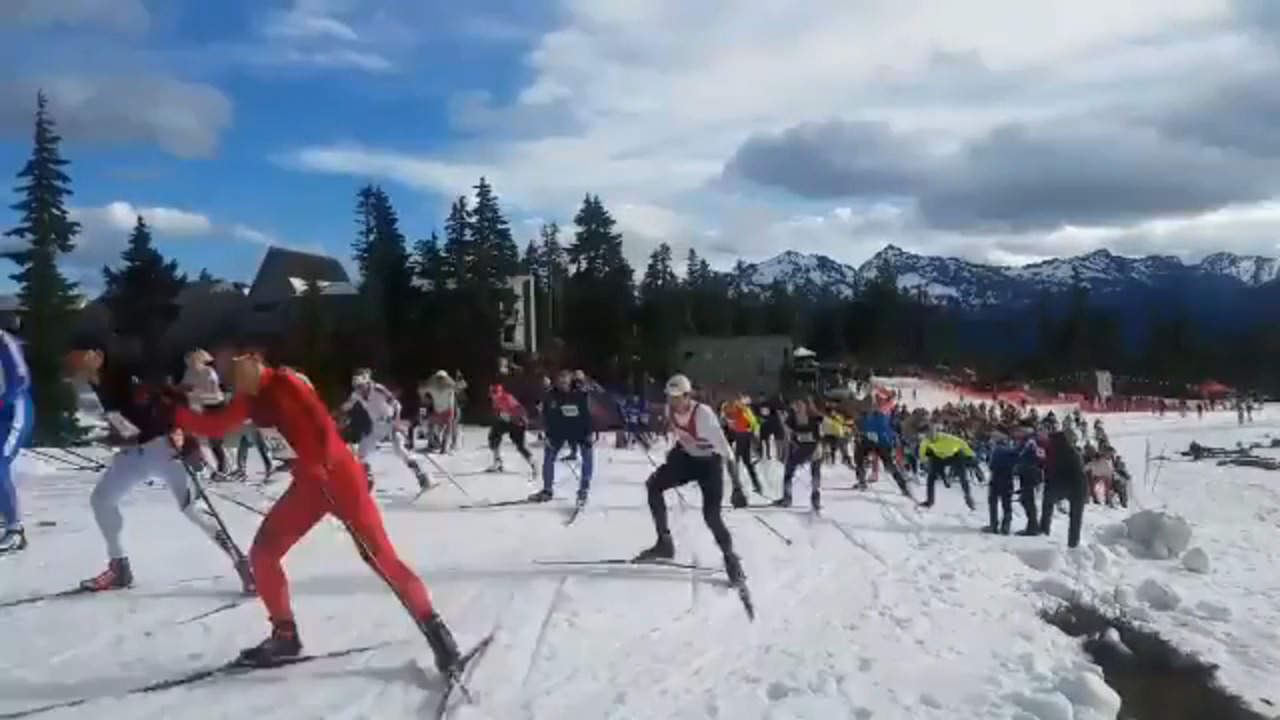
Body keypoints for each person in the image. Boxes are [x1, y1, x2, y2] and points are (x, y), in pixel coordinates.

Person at [174, 342, 465, 672]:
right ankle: (285, 636)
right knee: (264, 554)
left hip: (341, 480)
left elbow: (319, 422)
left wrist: (320, 460)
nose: (231, 376)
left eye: (235, 366)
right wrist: (175, 413)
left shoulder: (286, 382)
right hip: (309, 487)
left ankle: (439, 636)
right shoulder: (248, 400)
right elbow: (215, 426)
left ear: (254, 359)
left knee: (381, 558)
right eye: (227, 371)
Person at [66, 337, 254, 593]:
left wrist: (182, 433)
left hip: (165, 448)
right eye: (73, 356)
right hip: (135, 452)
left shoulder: (124, 374)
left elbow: (169, 398)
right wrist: (113, 437)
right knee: (102, 500)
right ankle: (119, 567)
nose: (77, 361)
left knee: (193, 509)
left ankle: (243, 564)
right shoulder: (94, 382)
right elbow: (126, 422)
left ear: (98, 354)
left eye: (82, 354)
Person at [633, 374, 746, 588]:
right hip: (686, 460)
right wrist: (652, 442)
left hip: (709, 465)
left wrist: (737, 486)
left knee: (711, 516)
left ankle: (731, 559)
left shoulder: (703, 415)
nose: (673, 401)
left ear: (687, 396)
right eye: (670, 397)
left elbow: (727, 452)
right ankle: (664, 543)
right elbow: (673, 432)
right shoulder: (670, 410)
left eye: (677, 397)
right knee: (653, 486)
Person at [341, 369, 430, 491]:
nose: (360, 390)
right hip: (377, 426)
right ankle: (368, 480)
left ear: (367, 382)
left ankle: (422, 476)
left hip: (389, 422)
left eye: (361, 386)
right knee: (362, 452)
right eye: (357, 387)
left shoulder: (378, 389)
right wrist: (339, 413)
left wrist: (396, 421)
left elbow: (397, 404)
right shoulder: (356, 394)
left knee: (400, 450)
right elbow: (347, 406)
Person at [531, 370, 593, 506]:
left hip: (579, 431)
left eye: (566, 381)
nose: (563, 383)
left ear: (571, 381)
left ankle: (583, 490)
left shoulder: (580, 393)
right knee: (548, 458)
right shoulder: (551, 395)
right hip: (558, 432)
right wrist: (546, 433)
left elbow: (588, 414)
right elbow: (546, 415)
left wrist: (588, 434)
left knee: (587, 457)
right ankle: (547, 490)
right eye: (560, 381)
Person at [0, 327, 33, 553]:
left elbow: (20, 377)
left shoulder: (2, 339)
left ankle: (15, 530)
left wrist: (4, 401)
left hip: (13, 411)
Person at [772, 397, 823, 510]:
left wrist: (797, 432)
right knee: (789, 469)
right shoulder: (793, 416)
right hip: (800, 446)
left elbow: (817, 435)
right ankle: (787, 498)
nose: (798, 407)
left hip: (813, 446)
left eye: (801, 404)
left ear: (807, 405)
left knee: (815, 473)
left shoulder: (814, 417)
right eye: (797, 404)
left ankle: (815, 499)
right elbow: (790, 432)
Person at [917, 427, 977, 510]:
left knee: (963, 477)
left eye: (931, 436)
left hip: (954, 456)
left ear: (935, 434)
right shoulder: (926, 441)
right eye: (927, 436)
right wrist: (923, 461)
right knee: (931, 476)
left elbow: (962, 443)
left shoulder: (947, 438)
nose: (930, 438)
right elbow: (922, 451)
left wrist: (971, 455)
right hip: (939, 457)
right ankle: (929, 501)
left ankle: (968, 498)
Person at [487, 383, 535, 477]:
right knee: (494, 436)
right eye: (492, 394)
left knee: (521, 446)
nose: (493, 396)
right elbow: (498, 413)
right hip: (506, 421)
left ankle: (533, 464)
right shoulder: (495, 400)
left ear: (500, 392)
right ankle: (497, 461)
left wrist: (523, 421)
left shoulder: (507, 398)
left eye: (495, 393)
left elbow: (520, 410)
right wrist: (500, 416)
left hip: (517, 422)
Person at [985, 430, 1017, 535]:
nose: (991, 440)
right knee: (1007, 504)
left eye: (993, 437)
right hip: (1008, 479)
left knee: (993, 502)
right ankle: (1006, 526)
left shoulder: (997, 450)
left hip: (996, 478)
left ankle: (993, 525)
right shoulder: (1012, 449)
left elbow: (991, 466)